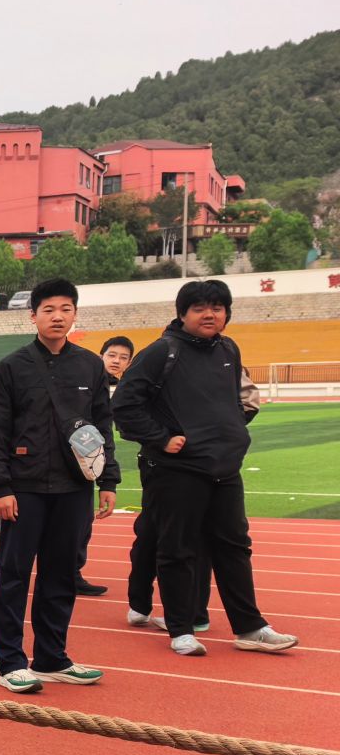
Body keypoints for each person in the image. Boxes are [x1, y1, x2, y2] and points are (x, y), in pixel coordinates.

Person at [112, 281, 297, 657]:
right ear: (182, 314)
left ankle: (250, 627)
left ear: (227, 313)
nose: (209, 314)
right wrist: (161, 438)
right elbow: (125, 405)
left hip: (224, 467)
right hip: (177, 469)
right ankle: (181, 629)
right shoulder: (162, 351)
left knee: (235, 547)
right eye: (199, 308)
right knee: (177, 549)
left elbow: (232, 401)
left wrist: (232, 434)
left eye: (217, 307)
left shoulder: (228, 349)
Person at [0, 280, 119, 694]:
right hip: (24, 488)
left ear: (75, 314)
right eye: (49, 309)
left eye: (66, 309)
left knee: (61, 575)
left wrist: (108, 479)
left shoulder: (90, 366)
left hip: (74, 488)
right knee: (13, 576)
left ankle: (52, 658)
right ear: (33, 316)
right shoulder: (12, 367)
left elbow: (101, 426)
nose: (58, 316)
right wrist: (1, 487)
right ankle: (10, 662)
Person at [74, 337, 136, 599]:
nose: (116, 361)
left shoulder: (120, 388)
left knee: (81, 523)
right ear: (101, 356)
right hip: (66, 458)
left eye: (123, 358)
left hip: (87, 460)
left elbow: (106, 433)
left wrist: (108, 480)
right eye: (112, 355)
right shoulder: (84, 381)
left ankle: (71, 574)